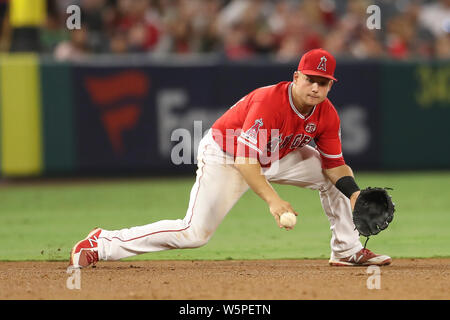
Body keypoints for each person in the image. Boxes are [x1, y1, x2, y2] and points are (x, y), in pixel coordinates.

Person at [69, 48, 391, 268]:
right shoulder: (270, 102)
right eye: (310, 79)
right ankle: (103, 243)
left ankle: (347, 250)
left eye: (323, 82)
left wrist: (355, 194)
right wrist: (273, 201)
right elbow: (245, 160)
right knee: (193, 233)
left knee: (329, 178)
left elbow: (335, 163)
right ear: (296, 77)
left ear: (331, 85)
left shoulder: (327, 114)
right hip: (228, 154)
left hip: (275, 155)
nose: (316, 87)